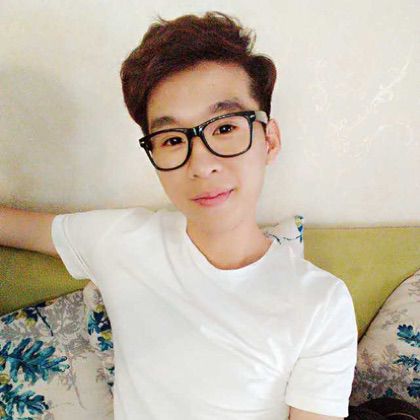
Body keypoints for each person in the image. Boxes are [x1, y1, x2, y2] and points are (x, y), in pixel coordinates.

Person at [0, 11, 359, 420]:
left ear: (270, 141)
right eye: (172, 139)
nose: (201, 165)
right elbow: (14, 227)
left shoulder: (320, 303)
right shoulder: (122, 239)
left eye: (225, 129)